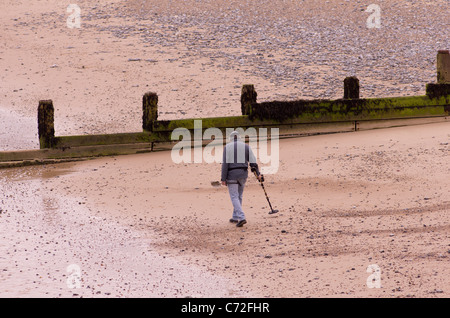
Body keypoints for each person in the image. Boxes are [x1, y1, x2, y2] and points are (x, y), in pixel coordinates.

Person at [221, 130, 261, 227]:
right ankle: (235, 217)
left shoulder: (227, 147)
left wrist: (223, 178)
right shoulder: (246, 146)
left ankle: (242, 217)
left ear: (230, 138)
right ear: (239, 137)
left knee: (234, 196)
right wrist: (258, 174)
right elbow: (253, 162)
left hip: (231, 175)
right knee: (239, 196)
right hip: (243, 174)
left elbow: (225, 164)